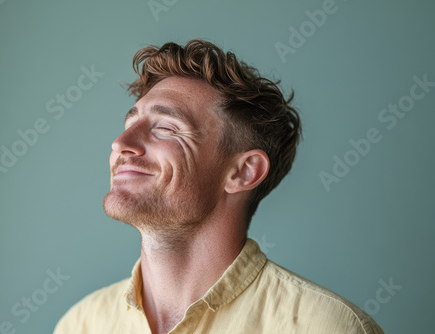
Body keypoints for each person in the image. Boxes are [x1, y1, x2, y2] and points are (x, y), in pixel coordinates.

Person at [53, 39, 384, 334]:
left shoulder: (328, 328)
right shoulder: (81, 324)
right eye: (129, 124)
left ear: (242, 172)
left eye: (166, 128)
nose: (120, 143)